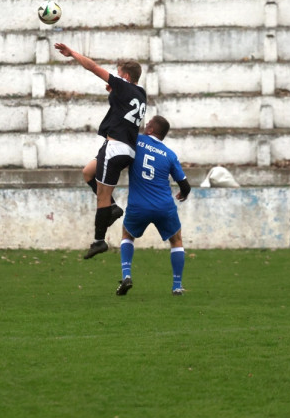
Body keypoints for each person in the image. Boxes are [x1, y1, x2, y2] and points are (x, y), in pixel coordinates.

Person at [54, 42, 146, 259]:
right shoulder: (140, 93)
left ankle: (99, 241)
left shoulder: (123, 86)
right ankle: (112, 209)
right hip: (126, 149)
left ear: (125, 76)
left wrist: (73, 53)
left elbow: (93, 68)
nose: (115, 76)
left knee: (102, 197)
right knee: (88, 172)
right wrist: (114, 91)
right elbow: (123, 106)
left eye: (118, 74)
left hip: (115, 148)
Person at [116, 115, 192, 296]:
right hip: (163, 206)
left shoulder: (136, 141)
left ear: (150, 130)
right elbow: (185, 185)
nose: (145, 126)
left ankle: (126, 275)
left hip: (138, 206)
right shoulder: (170, 154)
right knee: (176, 241)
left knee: (127, 235)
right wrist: (184, 193)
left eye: (147, 124)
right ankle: (177, 286)